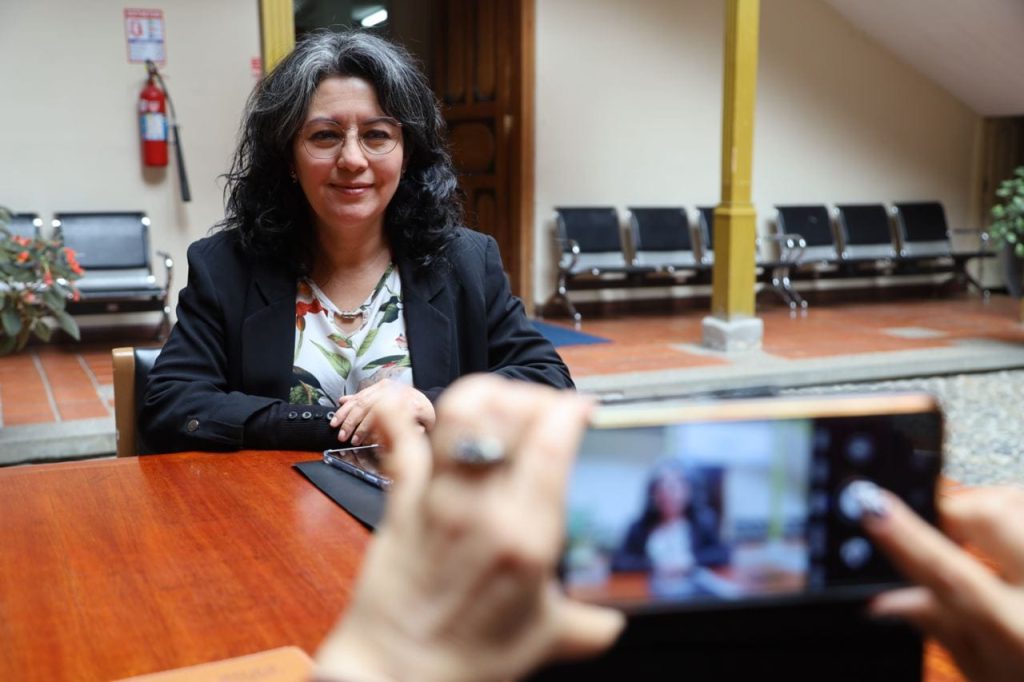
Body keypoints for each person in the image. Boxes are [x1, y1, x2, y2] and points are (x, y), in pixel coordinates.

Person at [315, 376, 1024, 681]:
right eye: (669, 485)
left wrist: (381, 667)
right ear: (660, 491)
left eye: (684, 485)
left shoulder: (717, 537)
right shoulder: (632, 535)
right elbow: (608, 572)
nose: (677, 492)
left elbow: (728, 569)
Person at [140, 30, 572, 454]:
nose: (351, 159)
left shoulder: (466, 260)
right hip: (274, 513)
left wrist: (429, 404)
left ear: (407, 154)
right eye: (324, 136)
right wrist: (316, 423)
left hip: (424, 512)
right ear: (289, 156)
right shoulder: (226, 266)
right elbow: (171, 403)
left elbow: (550, 382)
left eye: (377, 135)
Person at [612, 462, 729, 575]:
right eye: (660, 489)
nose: (666, 494)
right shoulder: (639, 527)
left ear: (687, 491)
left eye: (673, 488)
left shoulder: (702, 523)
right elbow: (620, 562)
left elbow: (723, 554)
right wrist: (655, 565)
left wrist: (689, 562)